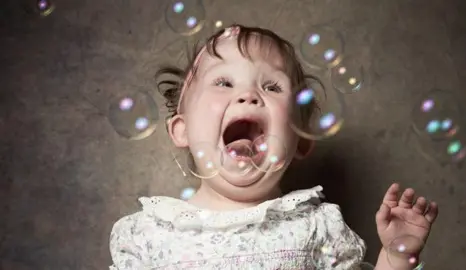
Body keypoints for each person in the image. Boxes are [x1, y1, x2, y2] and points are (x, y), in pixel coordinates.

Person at [109, 24, 438, 270]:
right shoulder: (148, 233)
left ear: (300, 140)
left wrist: (395, 256)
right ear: (183, 129)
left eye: (271, 86)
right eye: (223, 82)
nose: (249, 95)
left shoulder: (318, 228)